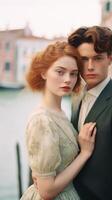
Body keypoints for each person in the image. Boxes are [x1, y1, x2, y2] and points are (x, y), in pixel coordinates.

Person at [20, 41, 97, 200]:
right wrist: (85, 153)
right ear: (43, 73)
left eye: (73, 73)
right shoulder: (42, 120)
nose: (68, 79)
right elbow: (46, 192)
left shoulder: (61, 112)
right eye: (60, 72)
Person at [68, 26, 112, 200]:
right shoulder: (76, 99)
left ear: (110, 59)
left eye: (97, 58)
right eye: (84, 59)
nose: (90, 66)